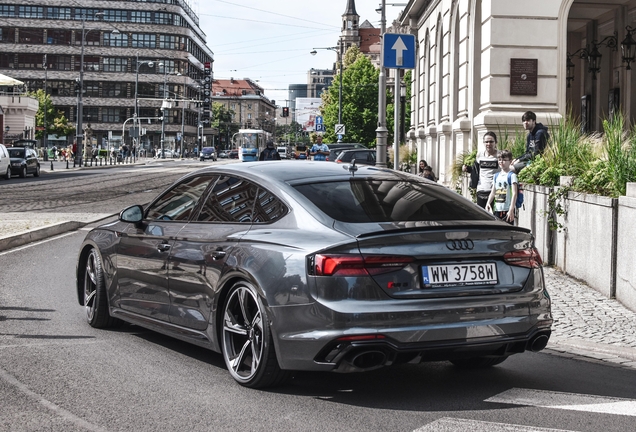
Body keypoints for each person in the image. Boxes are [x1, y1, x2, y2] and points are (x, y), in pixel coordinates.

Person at [462, 132, 499, 208]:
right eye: (486, 142)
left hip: (495, 191)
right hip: (481, 190)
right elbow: (475, 169)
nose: (489, 144)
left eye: (491, 141)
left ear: (496, 142)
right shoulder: (480, 155)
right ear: (483, 143)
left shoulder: (500, 155)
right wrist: (467, 168)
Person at [486, 150, 518, 225]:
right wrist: (488, 203)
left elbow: (514, 193)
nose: (501, 162)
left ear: (510, 161)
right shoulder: (496, 176)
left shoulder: (512, 176)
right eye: (499, 159)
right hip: (497, 209)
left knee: (508, 232)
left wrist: (511, 209)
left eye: (504, 160)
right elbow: (493, 192)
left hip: (507, 210)